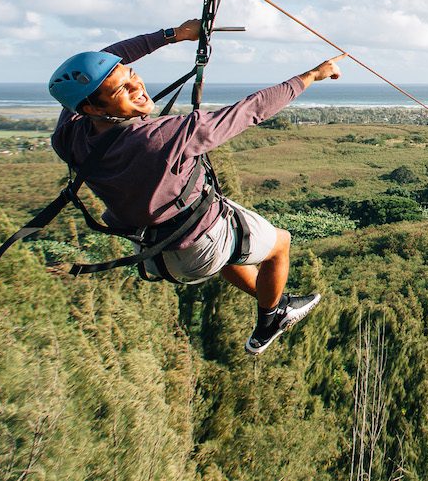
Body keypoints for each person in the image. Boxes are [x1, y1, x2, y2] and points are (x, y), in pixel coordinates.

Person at [47, 19, 343, 354]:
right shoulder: (160, 138)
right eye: (122, 91)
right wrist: (310, 77)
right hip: (199, 247)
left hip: (157, 252)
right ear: (91, 107)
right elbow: (250, 111)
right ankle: (272, 318)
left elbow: (106, 56)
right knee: (280, 244)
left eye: (131, 76)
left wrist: (174, 35)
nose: (137, 87)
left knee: (235, 250)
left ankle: (269, 300)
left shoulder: (69, 135)